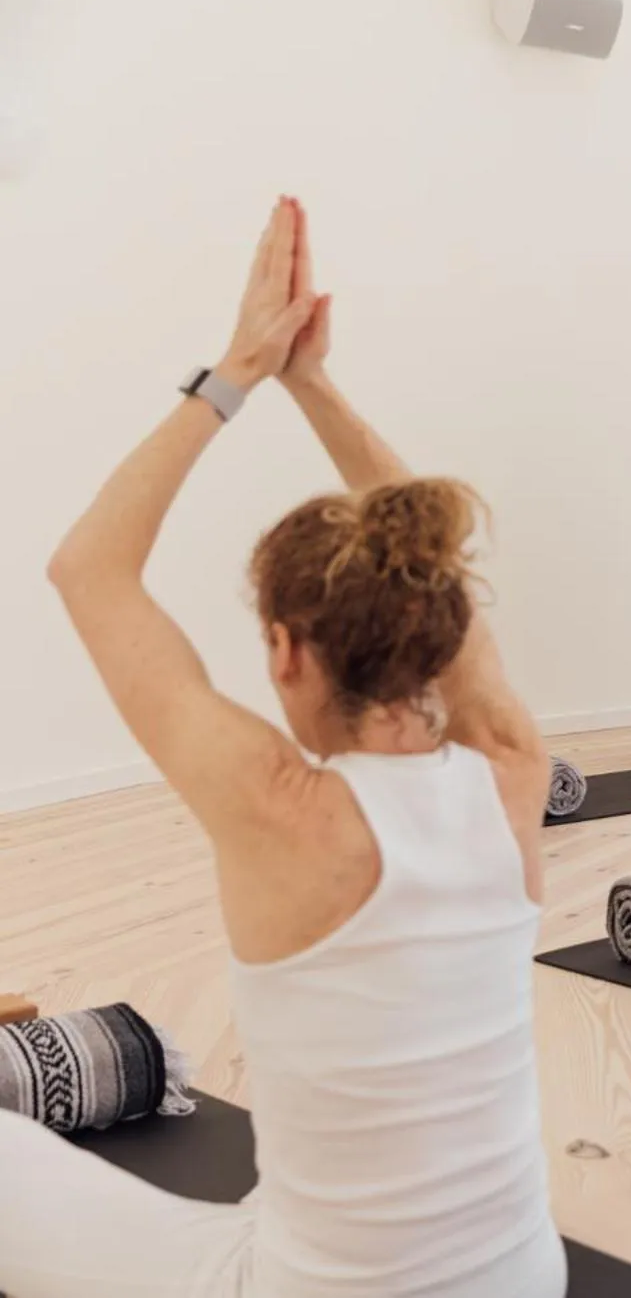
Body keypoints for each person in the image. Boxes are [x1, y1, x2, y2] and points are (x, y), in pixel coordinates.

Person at [0, 199, 565, 1297]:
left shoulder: (279, 810)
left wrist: (239, 370)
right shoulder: (510, 771)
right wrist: (313, 382)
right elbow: (437, 566)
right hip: (519, 1278)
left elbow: (86, 567)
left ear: (284, 651)